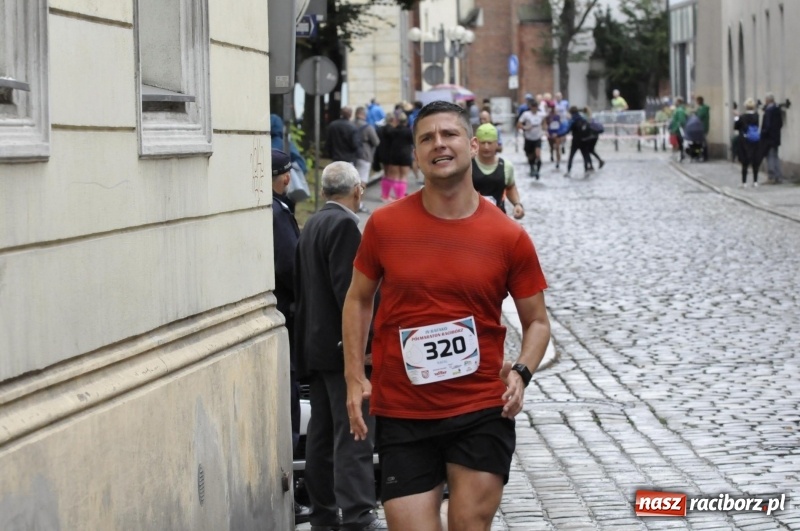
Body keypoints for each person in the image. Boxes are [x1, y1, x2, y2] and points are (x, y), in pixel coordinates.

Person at [342, 100, 551, 531]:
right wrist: (353, 376)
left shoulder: (508, 236)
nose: (439, 144)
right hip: (404, 410)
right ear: (416, 155)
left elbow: (537, 322)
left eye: (449, 134)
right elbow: (358, 298)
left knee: (469, 523)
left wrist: (523, 372)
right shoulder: (384, 226)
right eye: (426, 138)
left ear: (472, 145)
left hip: (480, 408)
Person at [294, 162, 387, 531]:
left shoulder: (314, 222)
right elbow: (350, 293)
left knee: (320, 436)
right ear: (359, 190)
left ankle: (323, 513)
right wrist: (363, 344)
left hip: (315, 348)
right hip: (341, 349)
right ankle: (359, 513)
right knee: (355, 432)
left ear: (323, 192)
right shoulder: (346, 225)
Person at [270, 149, 312, 525]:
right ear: (283, 177)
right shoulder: (277, 212)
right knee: (290, 400)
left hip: (282, 312)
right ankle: (296, 486)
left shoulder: (270, 207)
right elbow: (289, 266)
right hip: (287, 316)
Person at [472, 123, 525, 219]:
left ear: (496, 143)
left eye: (490, 143)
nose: (486, 147)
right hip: (473, 218)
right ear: (476, 144)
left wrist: (517, 204)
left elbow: (510, 187)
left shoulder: (506, 166)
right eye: (483, 143)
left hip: (498, 218)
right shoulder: (467, 166)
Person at [354, 106, 381, 211]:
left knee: (352, 181)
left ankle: (350, 202)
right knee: (362, 182)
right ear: (363, 115)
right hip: (365, 156)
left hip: (352, 156)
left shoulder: (350, 124)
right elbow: (376, 142)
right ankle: (359, 203)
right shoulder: (368, 127)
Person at [733, 98, 762, 188]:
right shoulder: (757, 116)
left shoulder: (743, 117)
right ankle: (755, 181)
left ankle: (744, 182)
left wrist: (736, 117)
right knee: (755, 161)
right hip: (755, 140)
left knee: (745, 161)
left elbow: (736, 127)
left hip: (744, 140)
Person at [517, 101, 545, 179]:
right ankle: (532, 167)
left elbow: (544, 122)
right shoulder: (526, 114)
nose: (534, 109)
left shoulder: (541, 114)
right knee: (530, 156)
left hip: (537, 138)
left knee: (538, 155)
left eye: (536, 107)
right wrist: (525, 128)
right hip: (528, 138)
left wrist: (545, 131)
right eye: (533, 107)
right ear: (531, 107)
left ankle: (537, 172)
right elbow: (519, 124)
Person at [562, 106, 592, 177]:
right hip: (584, 140)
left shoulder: (573, 120)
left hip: (575, 141)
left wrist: (560, 134)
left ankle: (568, 171)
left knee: (571, 156)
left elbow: (568, 130)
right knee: (585, 156)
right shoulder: (583, 118)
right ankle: (586, 170)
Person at [761, 92, 784, 184]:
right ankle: (778, 176)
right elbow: (780, 124)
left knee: (770, 157)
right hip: (776, 137)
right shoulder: (777, 110)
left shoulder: (769, 111)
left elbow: (767, 125)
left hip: (769, 139)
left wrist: (763, 134)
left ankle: (772, 177)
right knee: (775, 156)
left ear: (767, 100)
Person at [669, 97, 688, 162]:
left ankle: (682, 154)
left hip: (678, 130)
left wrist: (676, 128)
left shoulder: (680, 110)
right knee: (679, 142)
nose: (675, 103)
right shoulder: (678, 109)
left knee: (679, 142)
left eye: (676, 101)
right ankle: (681, 154)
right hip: (676, 129)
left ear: (678, 102)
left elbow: (681, 120)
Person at [694, 96, 710, 161]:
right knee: (699, 143)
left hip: (702, 127)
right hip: (699, 127)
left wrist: (695, 114)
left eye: (698, 101)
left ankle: (703, 155)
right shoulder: (700, 108)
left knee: (702, 143)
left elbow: (699, 116)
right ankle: (698, 154)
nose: (697, 102)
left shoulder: (704, 108)